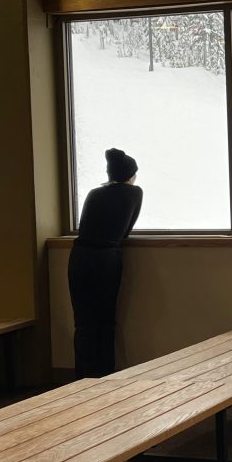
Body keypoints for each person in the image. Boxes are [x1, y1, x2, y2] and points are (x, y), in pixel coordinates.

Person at [68, 148, 143, 378]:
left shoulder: (94, 193)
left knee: (83, 322)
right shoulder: (134, 193)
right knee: (105, 320)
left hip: (79, 256)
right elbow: (126, 232)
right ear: (130, 174)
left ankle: (82, 376)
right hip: (106, 259)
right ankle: (105, 374)